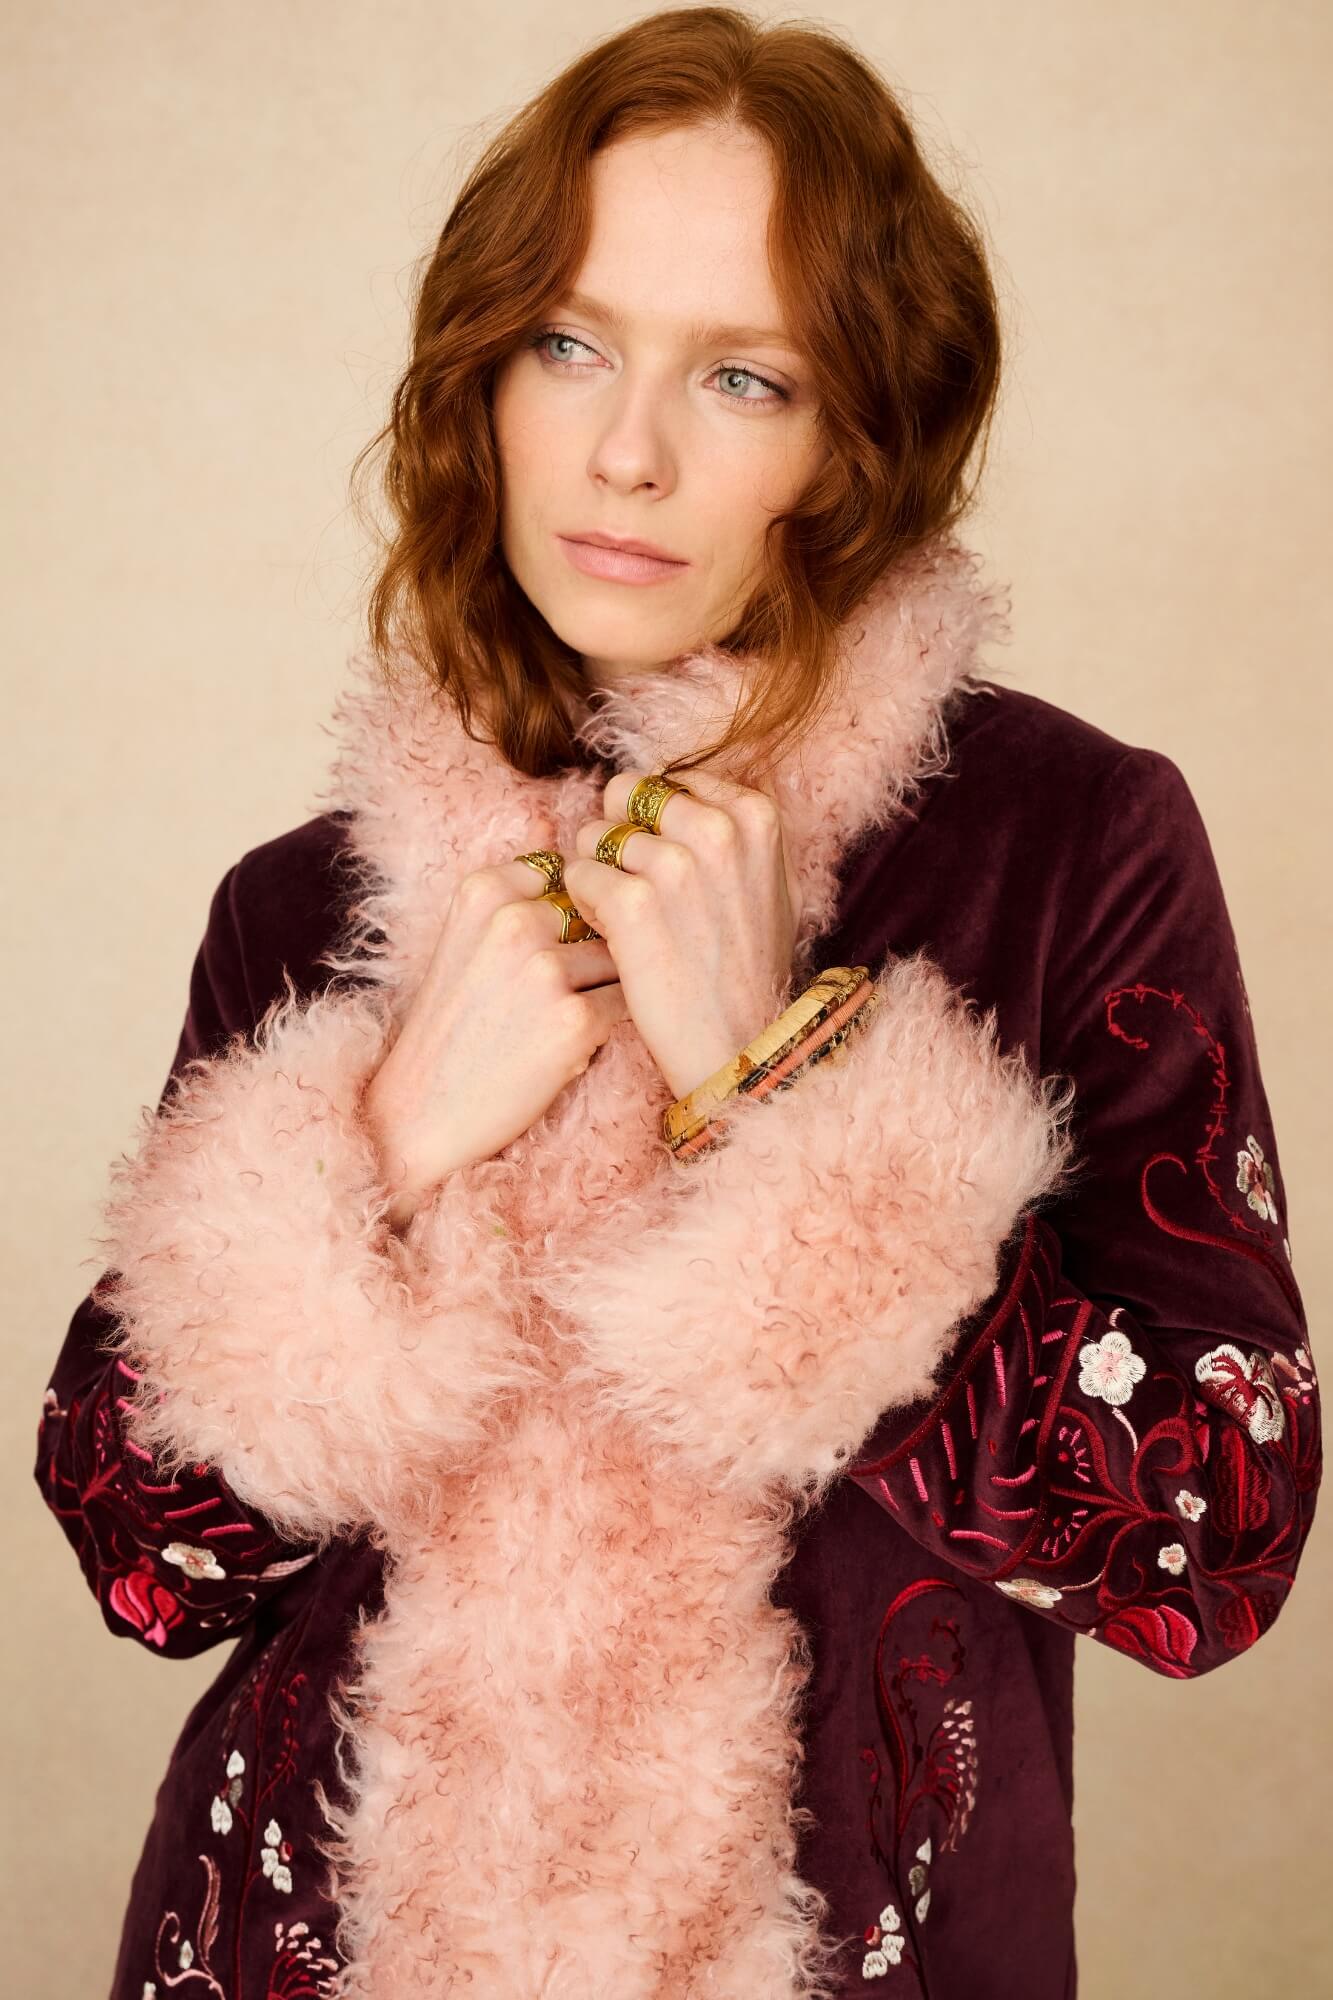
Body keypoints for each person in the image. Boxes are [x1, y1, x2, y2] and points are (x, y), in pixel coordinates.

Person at [34, 10, 1320, 1999]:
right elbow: (144, 1558)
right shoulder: (311, 906)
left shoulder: (1062, 847)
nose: (626, 448)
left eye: (742, 373)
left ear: (850, 434)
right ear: (482, 378)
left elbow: (1206, 1548)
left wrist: (772, 1083)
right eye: (569, 340)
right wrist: (382, 1144)